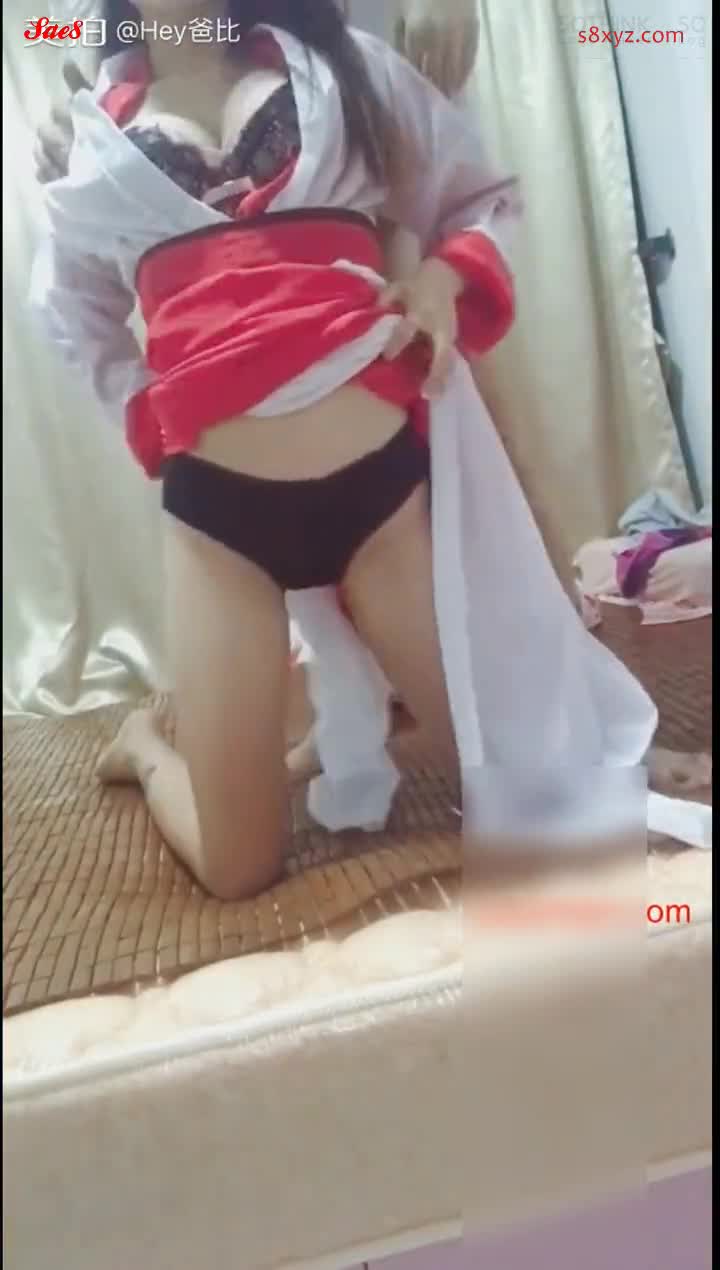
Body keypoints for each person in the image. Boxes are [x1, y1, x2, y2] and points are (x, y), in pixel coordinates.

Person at [32, 0, 701, 900]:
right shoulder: (92, 133)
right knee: (238, 869)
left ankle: (358, 724)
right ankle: (149, 747)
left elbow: (478, 194)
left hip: (379, 505)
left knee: (542, 793)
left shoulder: (340, 67)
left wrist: (440, 276)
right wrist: (150, 412)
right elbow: (73, 311)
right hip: (218, 529)